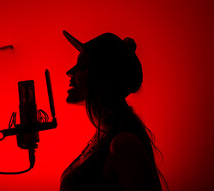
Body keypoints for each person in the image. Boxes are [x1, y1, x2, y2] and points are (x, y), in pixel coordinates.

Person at [60, 31, 167, 191]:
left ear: (104, 78)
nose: (70, 72)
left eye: (82, 66)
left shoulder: (124, 144)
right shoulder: (101, 138)